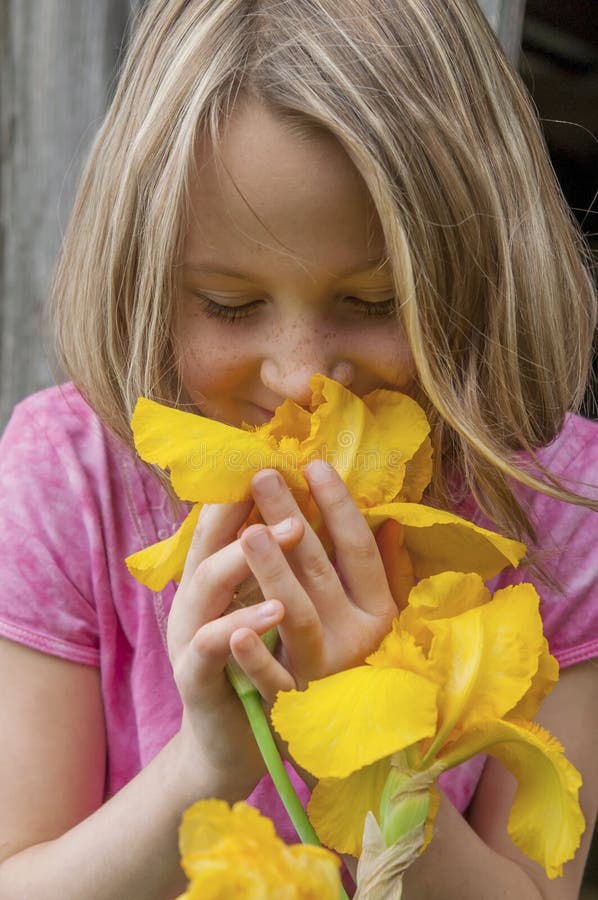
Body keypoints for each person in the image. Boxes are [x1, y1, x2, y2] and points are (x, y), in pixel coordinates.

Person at [0, 0, 596, 897]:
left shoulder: (560, 499)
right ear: (144, 280)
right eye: (230, 305)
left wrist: (369, 748)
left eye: (374, 302)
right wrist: (207, 761)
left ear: (481, 272)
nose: (301, 376)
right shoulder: (71, 475)